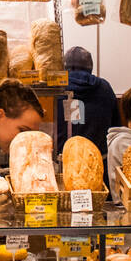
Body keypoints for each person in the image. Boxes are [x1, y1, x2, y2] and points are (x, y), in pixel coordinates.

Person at [53, 47, 121, 182]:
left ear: (64, 67)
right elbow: (116, 130)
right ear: (90, 68)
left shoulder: (57, 87)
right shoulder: (104, 88)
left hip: (61, 168)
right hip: (97, 169)